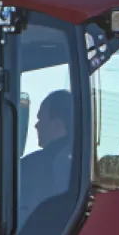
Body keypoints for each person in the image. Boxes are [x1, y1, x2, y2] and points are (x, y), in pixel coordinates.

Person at [16, 88, 74, 218]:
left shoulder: (30, 167)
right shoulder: (86, 164)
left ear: (56, 124)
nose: (36, 126)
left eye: (40, 119)